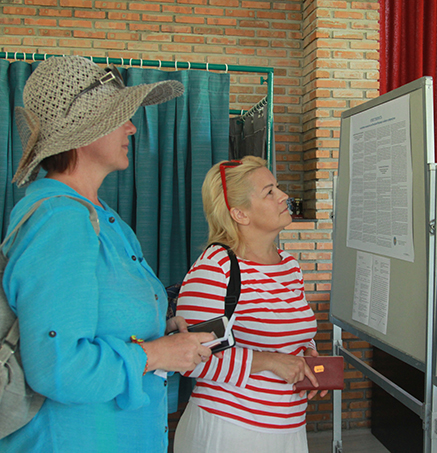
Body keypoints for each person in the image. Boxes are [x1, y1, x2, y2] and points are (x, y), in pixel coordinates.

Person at [0, 56, 216, 452]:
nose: (132, 127)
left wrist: (159, 330)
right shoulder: (62, 221)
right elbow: (59, 368)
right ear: (84, 132)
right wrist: (155, 355)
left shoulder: (100, 216)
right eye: (120, 117)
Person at [173, 156, 326, 453]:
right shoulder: (216, 267)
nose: (284, 197)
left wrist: (307, 350)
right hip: (229, 430)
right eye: (269, 192)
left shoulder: (290, 266)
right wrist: (270, 361)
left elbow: (295, 328)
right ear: (240, 213)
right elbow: (191, 355)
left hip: (290, 428)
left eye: (278, 188)